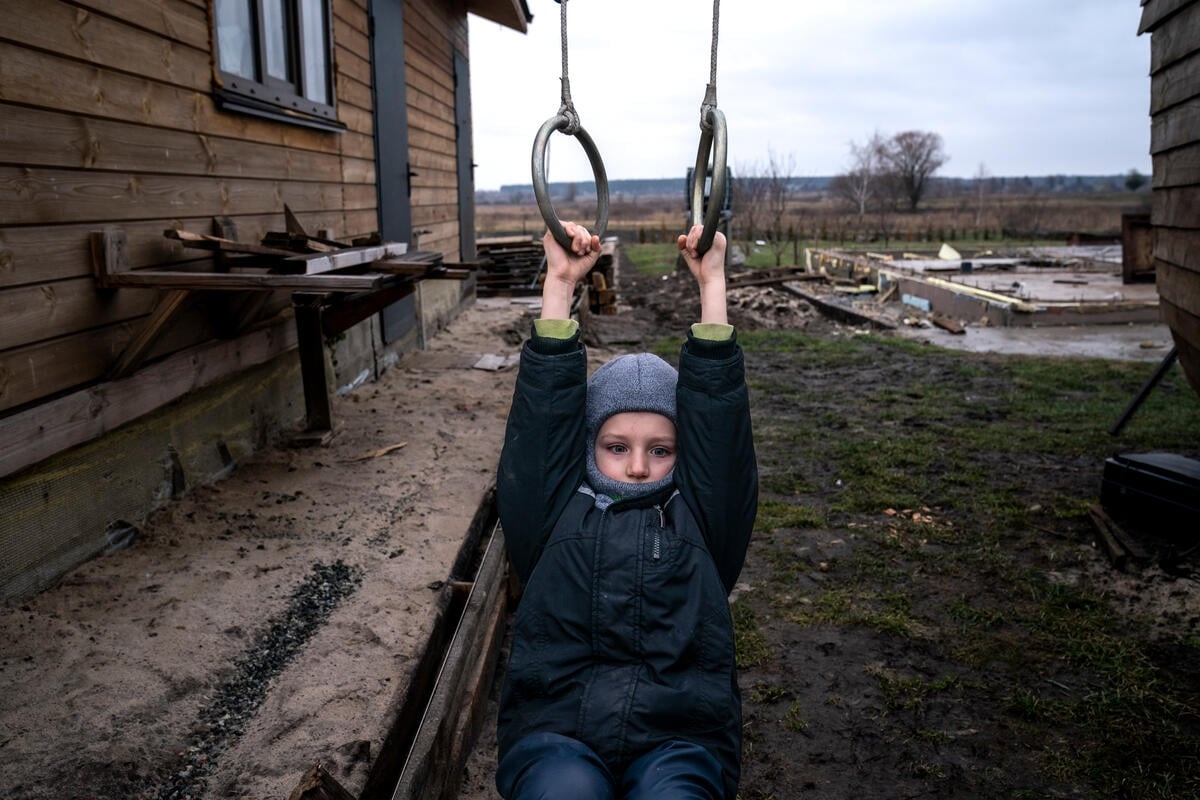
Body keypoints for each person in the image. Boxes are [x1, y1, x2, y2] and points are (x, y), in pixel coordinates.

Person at [495, 221, 758, 800]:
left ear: (684, 455)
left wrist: (712, 282)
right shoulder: (553, 514)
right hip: (555, 735)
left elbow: (718, 422)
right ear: (589, 446)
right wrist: (560, 284)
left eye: (660, 451)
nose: (638, 467)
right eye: (617, 447)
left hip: (679, 740)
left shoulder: (703, 521)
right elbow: (543, 420)